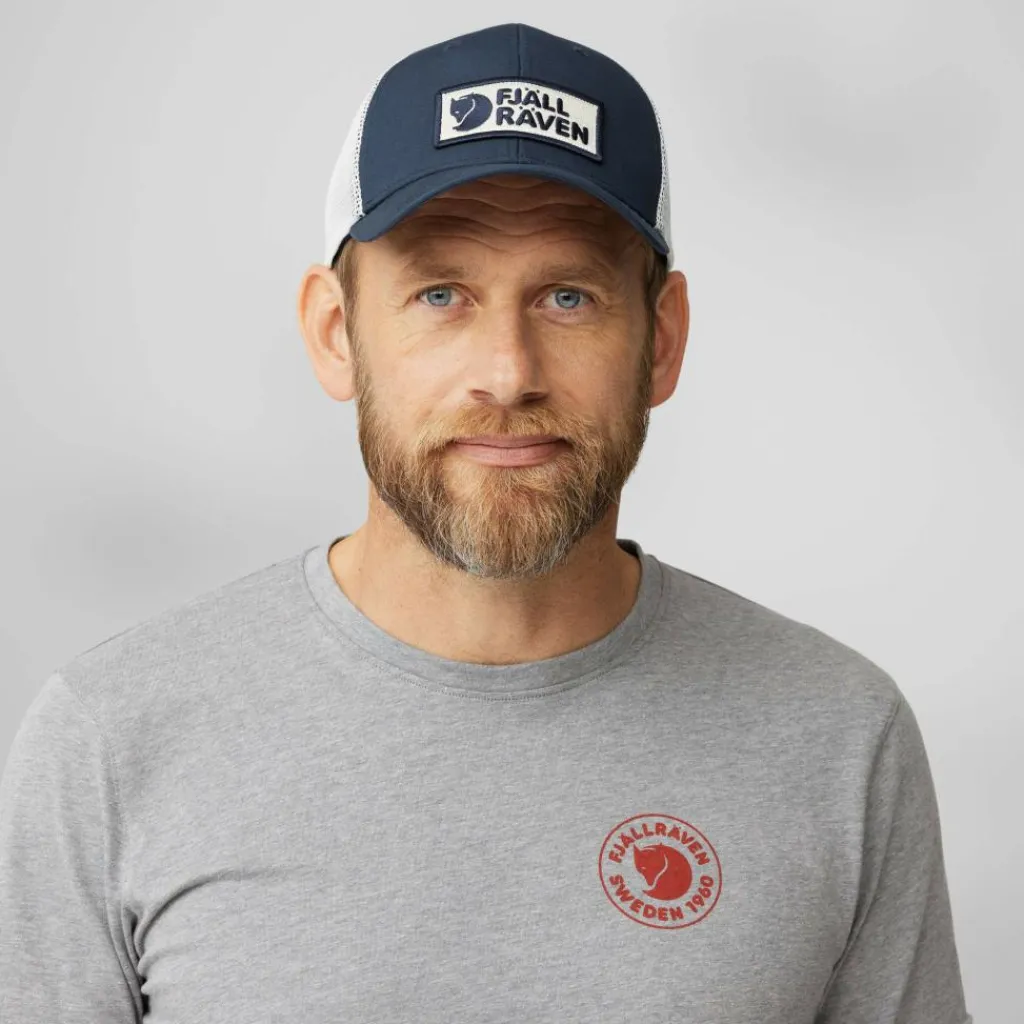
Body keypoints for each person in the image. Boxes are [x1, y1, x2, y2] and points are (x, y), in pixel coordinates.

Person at [0, 22, 972, 1023]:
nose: (507, 373)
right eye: (440, 294)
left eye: (567, 296)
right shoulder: (111, 741)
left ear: (662, 341)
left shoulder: (836, 737)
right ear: (336, 335)